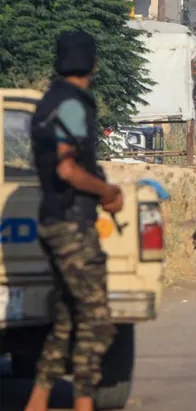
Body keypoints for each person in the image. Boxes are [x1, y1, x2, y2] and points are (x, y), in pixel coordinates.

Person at [25, 31, 122, 411]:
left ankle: (37, 400)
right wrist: (107, 192)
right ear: (93, 65)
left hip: (51, 219)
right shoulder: (72, 105)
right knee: (97, 322)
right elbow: (67, 168)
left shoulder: (46, 102)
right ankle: (83, 402)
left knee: (66, 319)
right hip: (70, 223)